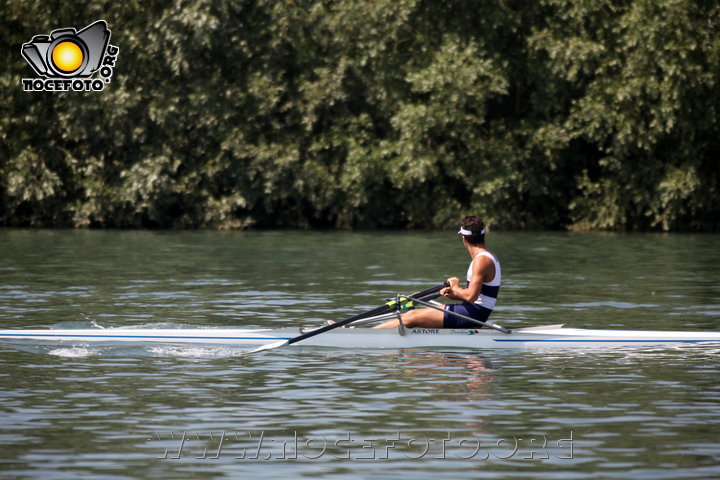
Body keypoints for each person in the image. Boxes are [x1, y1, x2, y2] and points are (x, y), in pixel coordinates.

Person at [373, 216, 501, 329]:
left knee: (411, 316)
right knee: (415, 316)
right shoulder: (488, 257)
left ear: (463, 239)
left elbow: (470, 297)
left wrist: (455, 286)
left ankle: (366, 335)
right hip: (471, 311)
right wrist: (453, 294)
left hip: (472, 314)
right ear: (484, 235)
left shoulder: (482, 260)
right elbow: (477, 296)